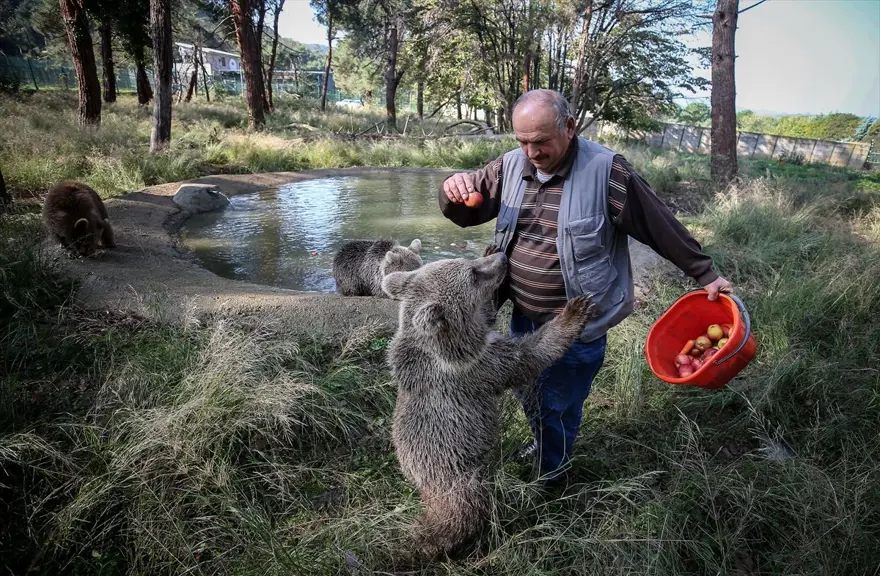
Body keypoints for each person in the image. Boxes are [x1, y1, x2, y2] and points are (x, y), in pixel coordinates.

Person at [438, 89, 731, 487]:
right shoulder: (508, 166)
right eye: (522, 141)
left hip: (576, 324)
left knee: (559, 402)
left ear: (570, 128)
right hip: (524, 316)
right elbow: (467, 212)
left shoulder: (607, 171)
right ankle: (546, 444)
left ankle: (552, 479)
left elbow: (658, 224)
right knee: (528, 390)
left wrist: (705, 273)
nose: (532, 152)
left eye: (541, 141)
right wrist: (451, 190)